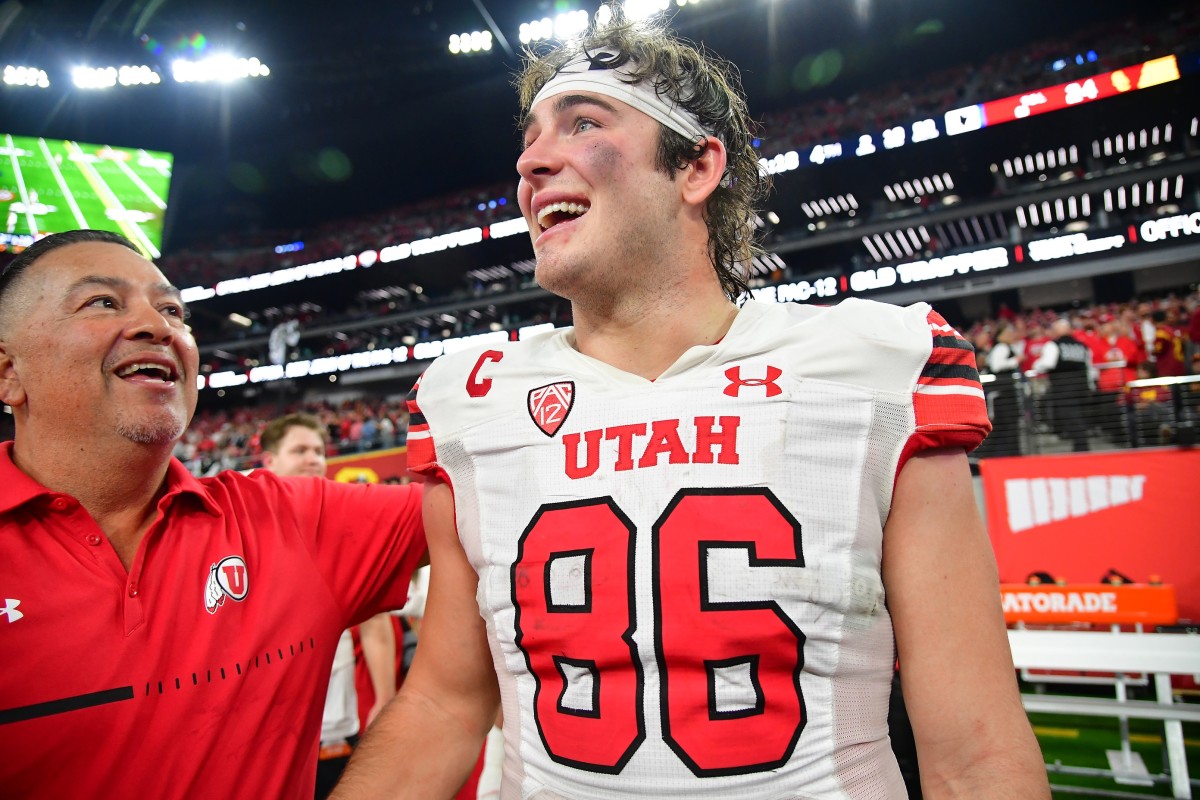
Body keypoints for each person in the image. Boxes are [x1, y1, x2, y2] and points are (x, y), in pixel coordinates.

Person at [336, 12, 1047, 799]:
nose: (531, 161)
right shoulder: (472, 404)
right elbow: (443, 702)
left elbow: (972, 753)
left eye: (582, 123)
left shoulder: (867, 371)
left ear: (697, 168)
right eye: (532, 137)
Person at [0, 230, 426, 799]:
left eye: (174, 310)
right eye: (103, 302)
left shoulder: (293, 520)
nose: (159, 326)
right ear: (7, 372)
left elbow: (506, 494)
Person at [259, 413, 400, 799]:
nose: (313, 459)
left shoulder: (341, 531)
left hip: (336, 724)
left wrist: (384, 702)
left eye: (319, 451)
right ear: (269, 461)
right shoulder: (246, 532)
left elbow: (375, 626)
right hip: (266, 731)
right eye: (300, 450)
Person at [1032, 317, 1092, 451]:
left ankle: (1081, 449)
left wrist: (1036, 364)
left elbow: (1048, 363)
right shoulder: (1081, 345)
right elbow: (1089, 366)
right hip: (1082, 386)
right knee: (1079, 418)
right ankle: (1082, 447)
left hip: (1063, 388)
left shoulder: (1053, 345)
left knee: (1071, 418)